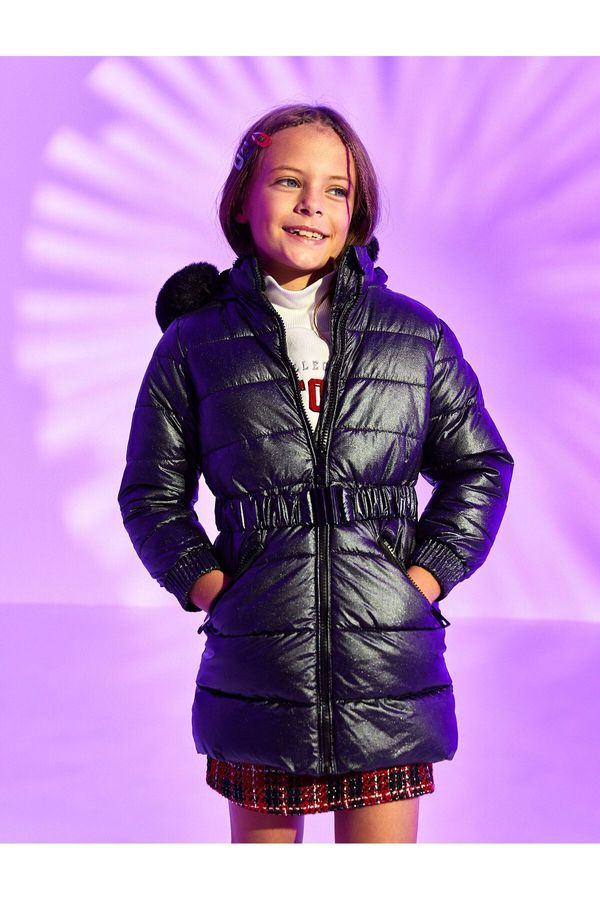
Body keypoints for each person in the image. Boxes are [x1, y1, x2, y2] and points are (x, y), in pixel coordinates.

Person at [117, 103, 514, 843]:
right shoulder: (195, 343)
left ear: (356, 211)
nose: (312, 205)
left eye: (337, 189)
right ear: (242, 198)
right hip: (258, 669)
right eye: (288, 181)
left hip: (387, 670)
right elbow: (151, 494)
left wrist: (423, 579)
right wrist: (213, 589)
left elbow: (480, 466)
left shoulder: (414, 334)